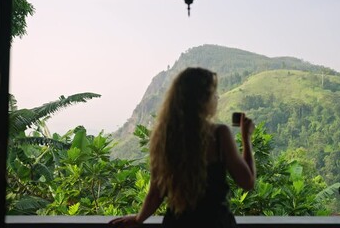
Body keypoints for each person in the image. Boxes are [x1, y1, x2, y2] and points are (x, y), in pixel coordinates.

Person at [109, 67, 256, 228]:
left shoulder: (165, 138)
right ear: (203, 100)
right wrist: (246, 138)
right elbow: (247, 182)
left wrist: (138, 219)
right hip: (215, 222)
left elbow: (156, 192)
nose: (217, 98)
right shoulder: (219, 134)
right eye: (214, 94)